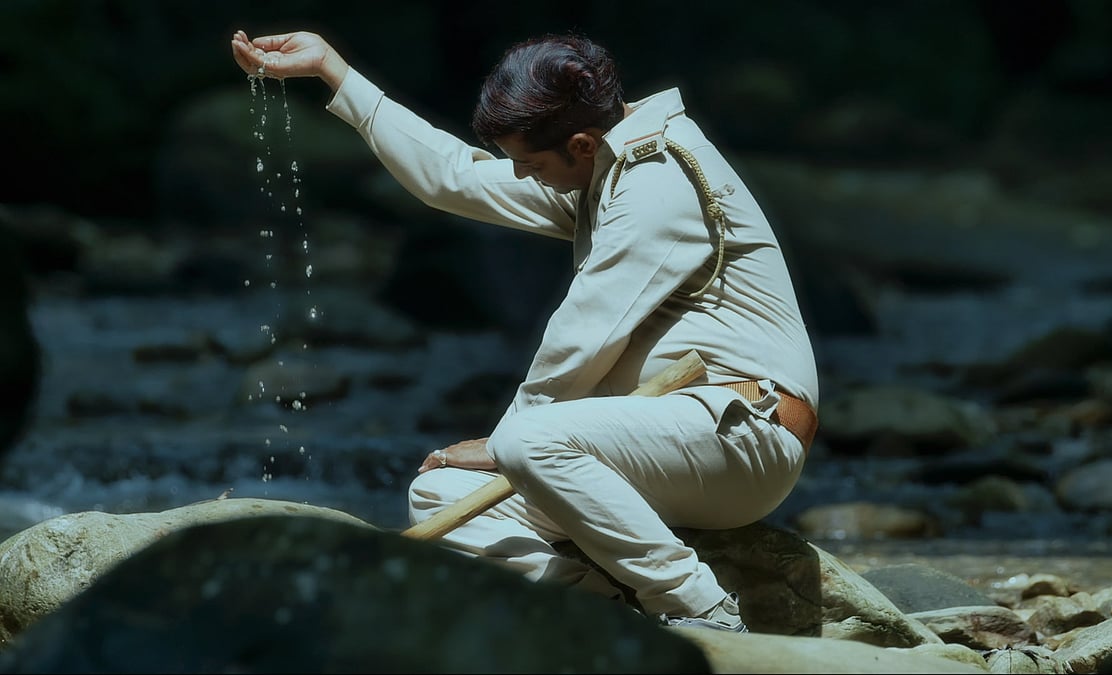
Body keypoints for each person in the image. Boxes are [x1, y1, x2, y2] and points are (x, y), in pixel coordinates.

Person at [231, 29, 819, 633]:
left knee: (526, 443)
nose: (523, 176)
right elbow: (452, 178)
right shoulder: (602, 166)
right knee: (443, 496)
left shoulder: (657, 181)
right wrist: (335, 72)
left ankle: (701, 610)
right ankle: (605, 620)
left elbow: (585, 330)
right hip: (654, 448)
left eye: (532, 165)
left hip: (746, 437)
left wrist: (508, 443)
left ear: (582, 143)